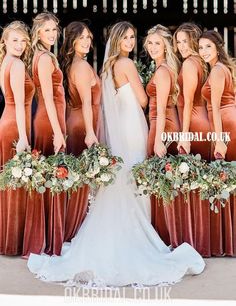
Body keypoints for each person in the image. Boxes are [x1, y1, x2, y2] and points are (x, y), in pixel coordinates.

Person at [27, 21, 205, 287]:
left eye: (134, 38)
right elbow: (144, 101)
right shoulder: (127, 65)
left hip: (123, 123)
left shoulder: (108, 66)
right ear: (118, 40)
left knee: (126, 178)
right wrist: (149, 84)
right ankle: (134, 232)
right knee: (133, 178)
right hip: (132, 124)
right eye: (127, 38)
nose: (131, 43)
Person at [22, 12, 66, 257]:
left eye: (54, 30)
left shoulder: (41, 56)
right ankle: (47, 240)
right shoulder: (45, 58)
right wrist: (58, 132)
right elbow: (47, 98)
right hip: (49, 121)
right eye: (47, 30)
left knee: (49, 178)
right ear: (38, 32)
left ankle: (47, 237)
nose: (52, 34)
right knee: (52, 177)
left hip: (50, 118)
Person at [172, 23, 212, 257]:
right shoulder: (201, 63)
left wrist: (184, 134)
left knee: (192, 182)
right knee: (202, 181)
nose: (181, 46)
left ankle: (195, 238)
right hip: (204, 121)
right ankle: (204, 237)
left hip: (194, 122)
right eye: (178, 42)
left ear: (195, 40)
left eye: (185, 41)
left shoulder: (189, 64)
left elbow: (187, 102)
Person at [59, 21, 101, 241]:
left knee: (80, 179)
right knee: (84, 180)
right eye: (81, 38)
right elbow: (86, 102)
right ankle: (80, 229)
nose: (86, 42)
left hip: (75, 121)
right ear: (72, 40)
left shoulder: (73, 63)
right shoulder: (82, 67)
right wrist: (90, 132)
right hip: (82, 124)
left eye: (89, 37)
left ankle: (76, 226)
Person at [200, 30, 236, 256]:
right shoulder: (225, 68)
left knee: (225, 180)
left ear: (218, 48)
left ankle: (227, 241)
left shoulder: (216, 71)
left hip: (224, 122)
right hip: (229, 118)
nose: (203, 52)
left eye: (208, 47)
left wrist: (220, 139)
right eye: (201, 47)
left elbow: (214, 106)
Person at [0, 21, 35, 255]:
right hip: (15, 125)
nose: (20, 45)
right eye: (15, 40)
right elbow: (21, 105)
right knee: (16, 184)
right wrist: (23, 137)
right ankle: (14, 241)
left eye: (24, 41)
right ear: (4, 42)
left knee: (9, 184)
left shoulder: (4, 62)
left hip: (6, 120)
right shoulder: (18, 65)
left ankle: (6, 237)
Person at [145, 24, 180, 245]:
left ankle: (167, 234)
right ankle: (163, 232)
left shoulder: (163, 71)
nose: (153, 47)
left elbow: (161, 107)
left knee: (162, 180)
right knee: (161, 180)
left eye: (158, 43)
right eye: (150, 42)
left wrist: (158, 140)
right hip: (160, 123)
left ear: (166, 46)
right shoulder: (160, 68)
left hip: (163, 125)